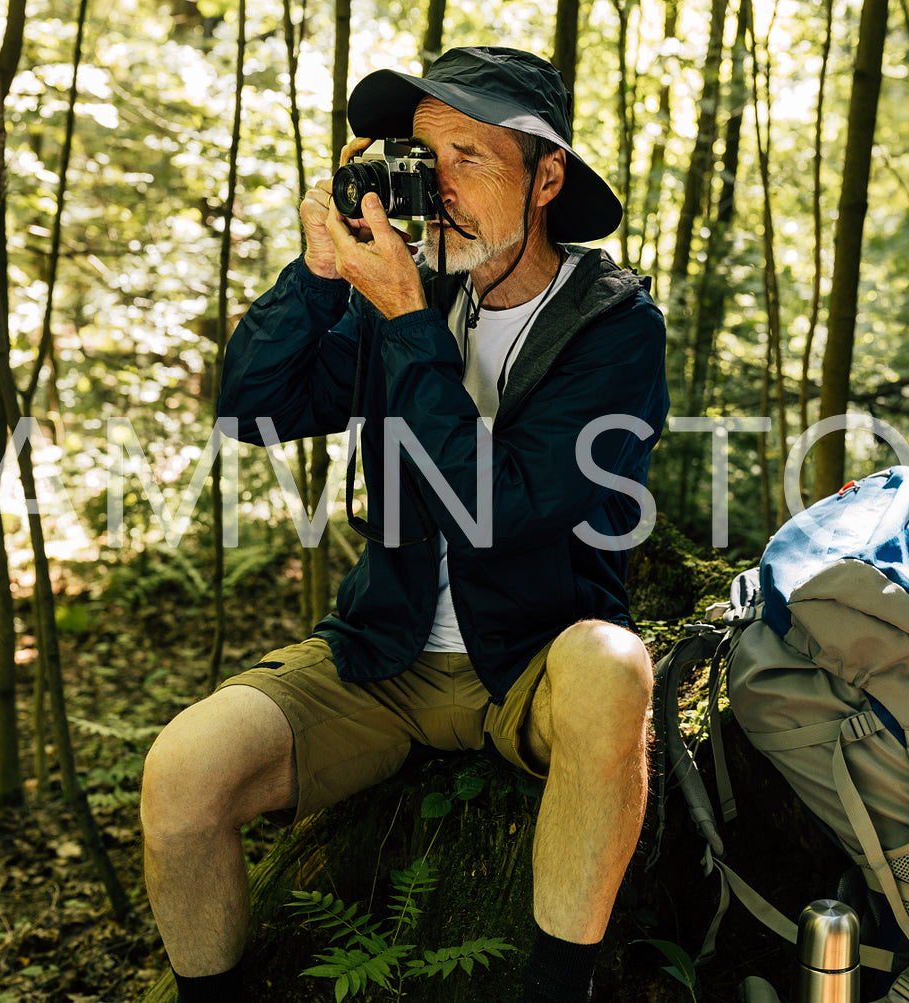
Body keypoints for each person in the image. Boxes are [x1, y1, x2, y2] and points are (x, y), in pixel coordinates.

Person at [139, 46, 670, 1003]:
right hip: (380, 655)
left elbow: (498, 513)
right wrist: (317, 277)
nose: (443, 187)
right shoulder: (413, 292)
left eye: (471, 157)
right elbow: (252, 410)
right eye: (428, 161)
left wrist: (407, 320)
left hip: (531, 660)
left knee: (614, 666)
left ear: (546, 176)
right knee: (182, 773)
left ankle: (557, 990)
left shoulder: (613, 326)